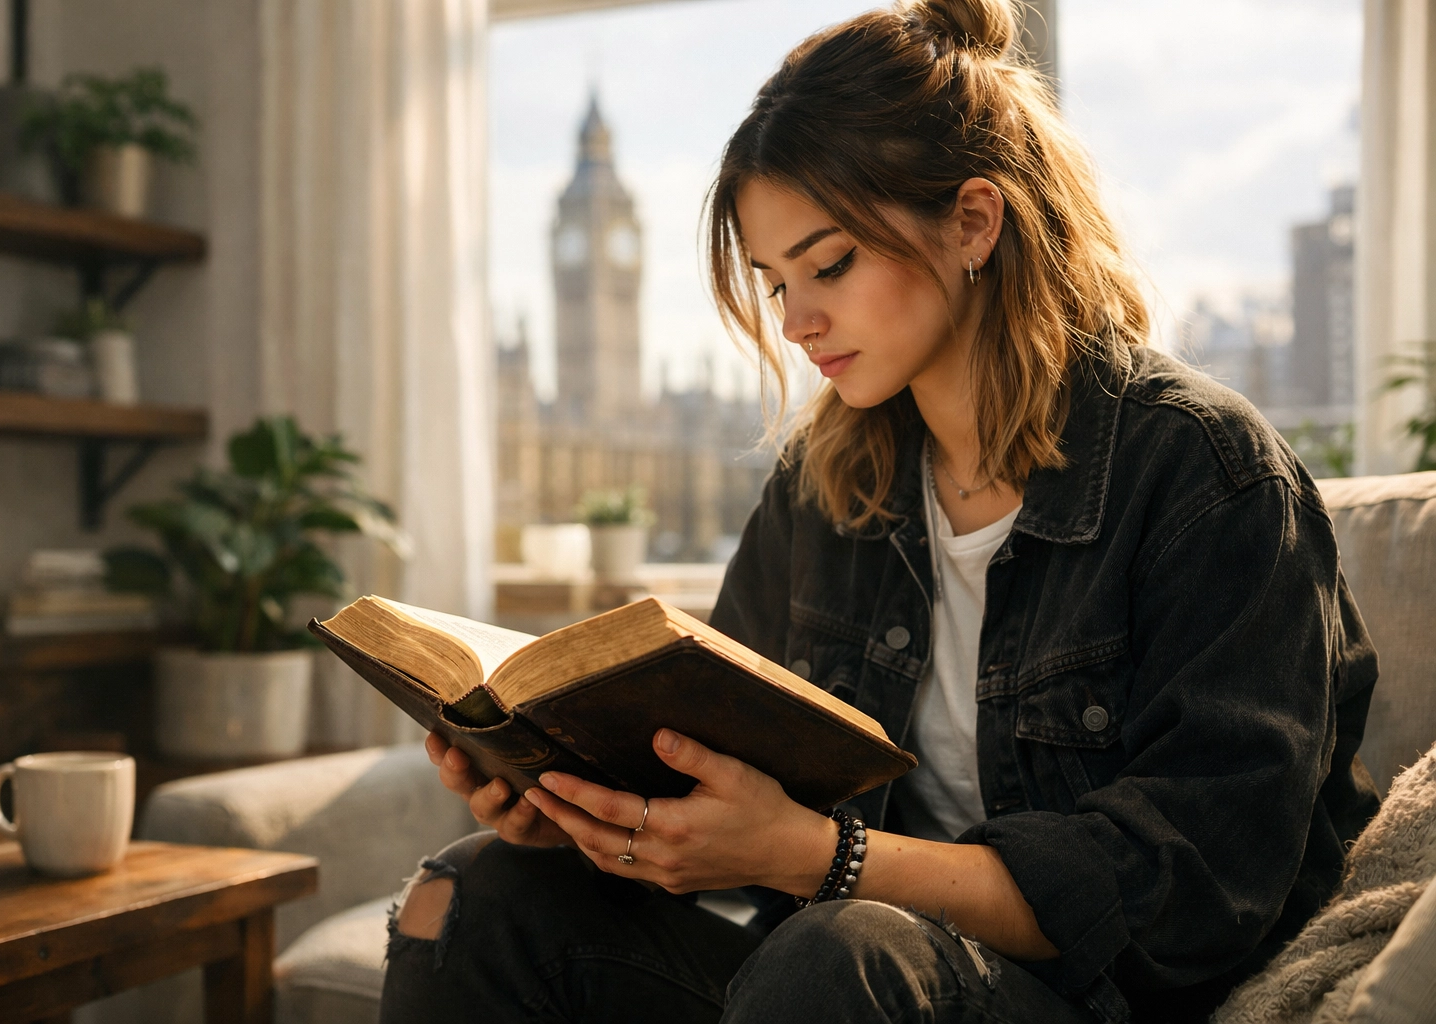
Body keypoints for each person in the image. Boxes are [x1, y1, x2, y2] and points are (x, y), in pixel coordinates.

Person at [379, 1, 1381, 1021]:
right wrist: (585, 808)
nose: (799, 321)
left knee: (837, 951)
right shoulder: (822, 487)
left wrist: (826, 855)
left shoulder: (1207, 475)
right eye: (774, 284)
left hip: (1092, 999)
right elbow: (724, 791)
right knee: (474, 895)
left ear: (974, 222)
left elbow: (1191, 893)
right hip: (842, 970)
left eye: (831, 264)